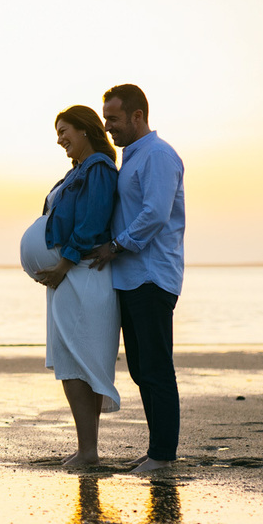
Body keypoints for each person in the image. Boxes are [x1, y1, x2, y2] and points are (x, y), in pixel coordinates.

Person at [89, 85, 185, 474]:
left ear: (137, 116)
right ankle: (156, 451)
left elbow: (155, 214)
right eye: (105, 118)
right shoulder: (131, 158)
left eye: (113, 118)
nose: (107, 126)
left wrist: (115, 246)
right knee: (141, 369)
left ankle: (163, 456)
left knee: (156, 367)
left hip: (152, 276)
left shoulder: (159, 156)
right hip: (129, 278)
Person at [20, 105, 120, 467]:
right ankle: (87, 448)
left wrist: (63, 263)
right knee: (73, 359)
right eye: (57, 133)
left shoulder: (99, 168)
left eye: (65, 131)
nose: (60, 139)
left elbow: (93, 220)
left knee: (80, 362)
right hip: (70, 276)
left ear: (85, 130)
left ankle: (89, 451)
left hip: (81, 275)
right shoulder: (76, 171)